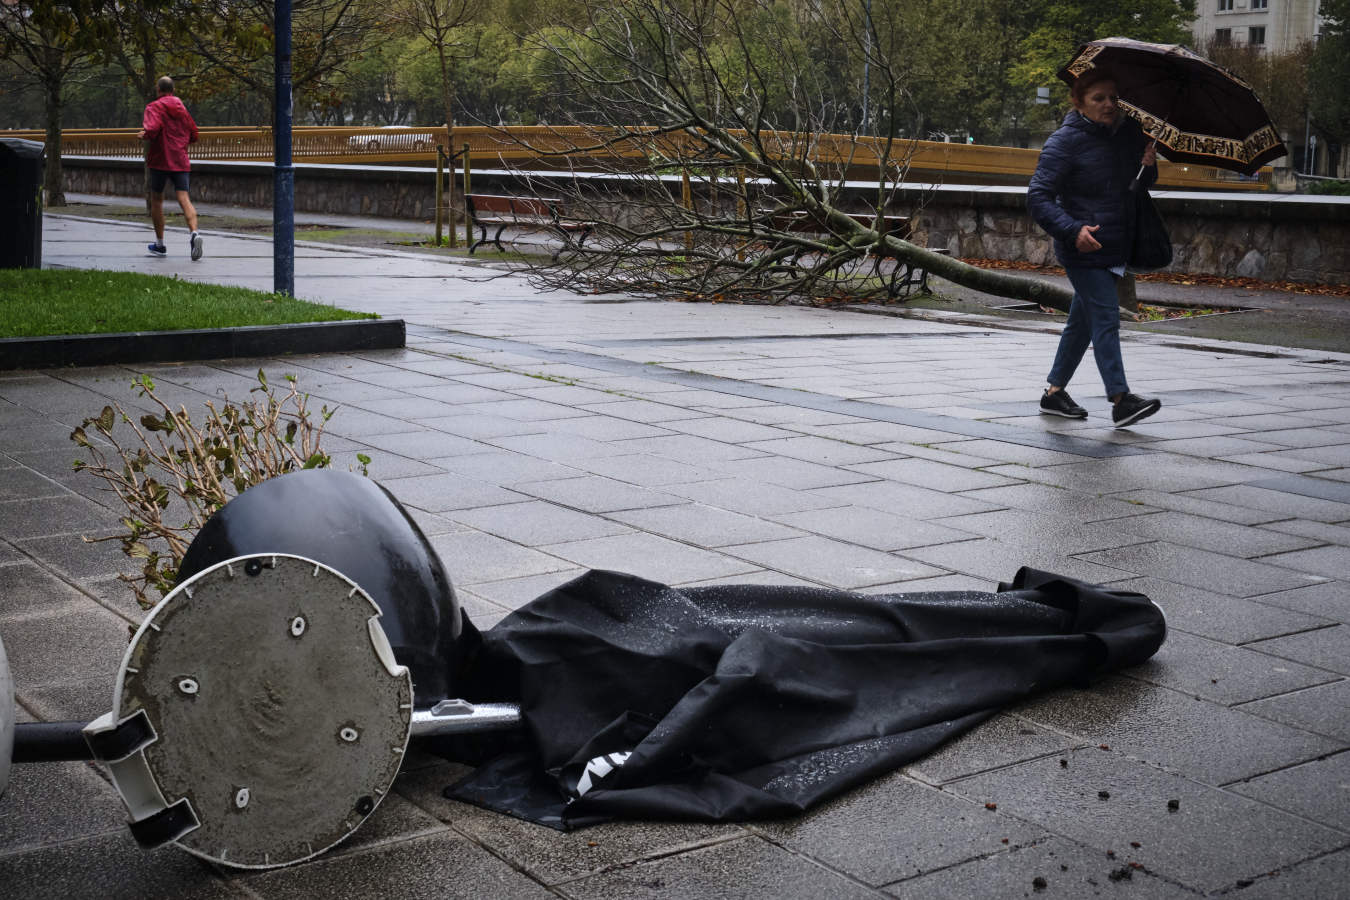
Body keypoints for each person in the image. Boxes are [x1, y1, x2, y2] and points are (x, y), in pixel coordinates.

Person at [1027, 69, 1163, 428]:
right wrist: (1073, 231)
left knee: (1082, 322)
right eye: (1099, 98)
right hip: (1082, 248)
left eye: (1113, 98)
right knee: (1106, 316)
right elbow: (1038, 197)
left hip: (1114, 244)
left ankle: (1054, 394)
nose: (1108, 105)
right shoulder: (1064, 141)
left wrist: (1147, 167)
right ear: (1079, 102)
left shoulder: (1125, 136)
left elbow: (1135, 187)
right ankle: (1121, 400)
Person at [138, 76, 202, 261]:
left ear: (158, 90)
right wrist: (182, 142)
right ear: (172, 90)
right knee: (184, 197)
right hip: (180, 159)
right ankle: (194, 234)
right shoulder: (182, 109)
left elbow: (153, 127)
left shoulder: (153, 107)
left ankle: (159, 244)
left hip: (160, 160)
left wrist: (145, 135)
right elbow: (194, 134)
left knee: (157, 199)